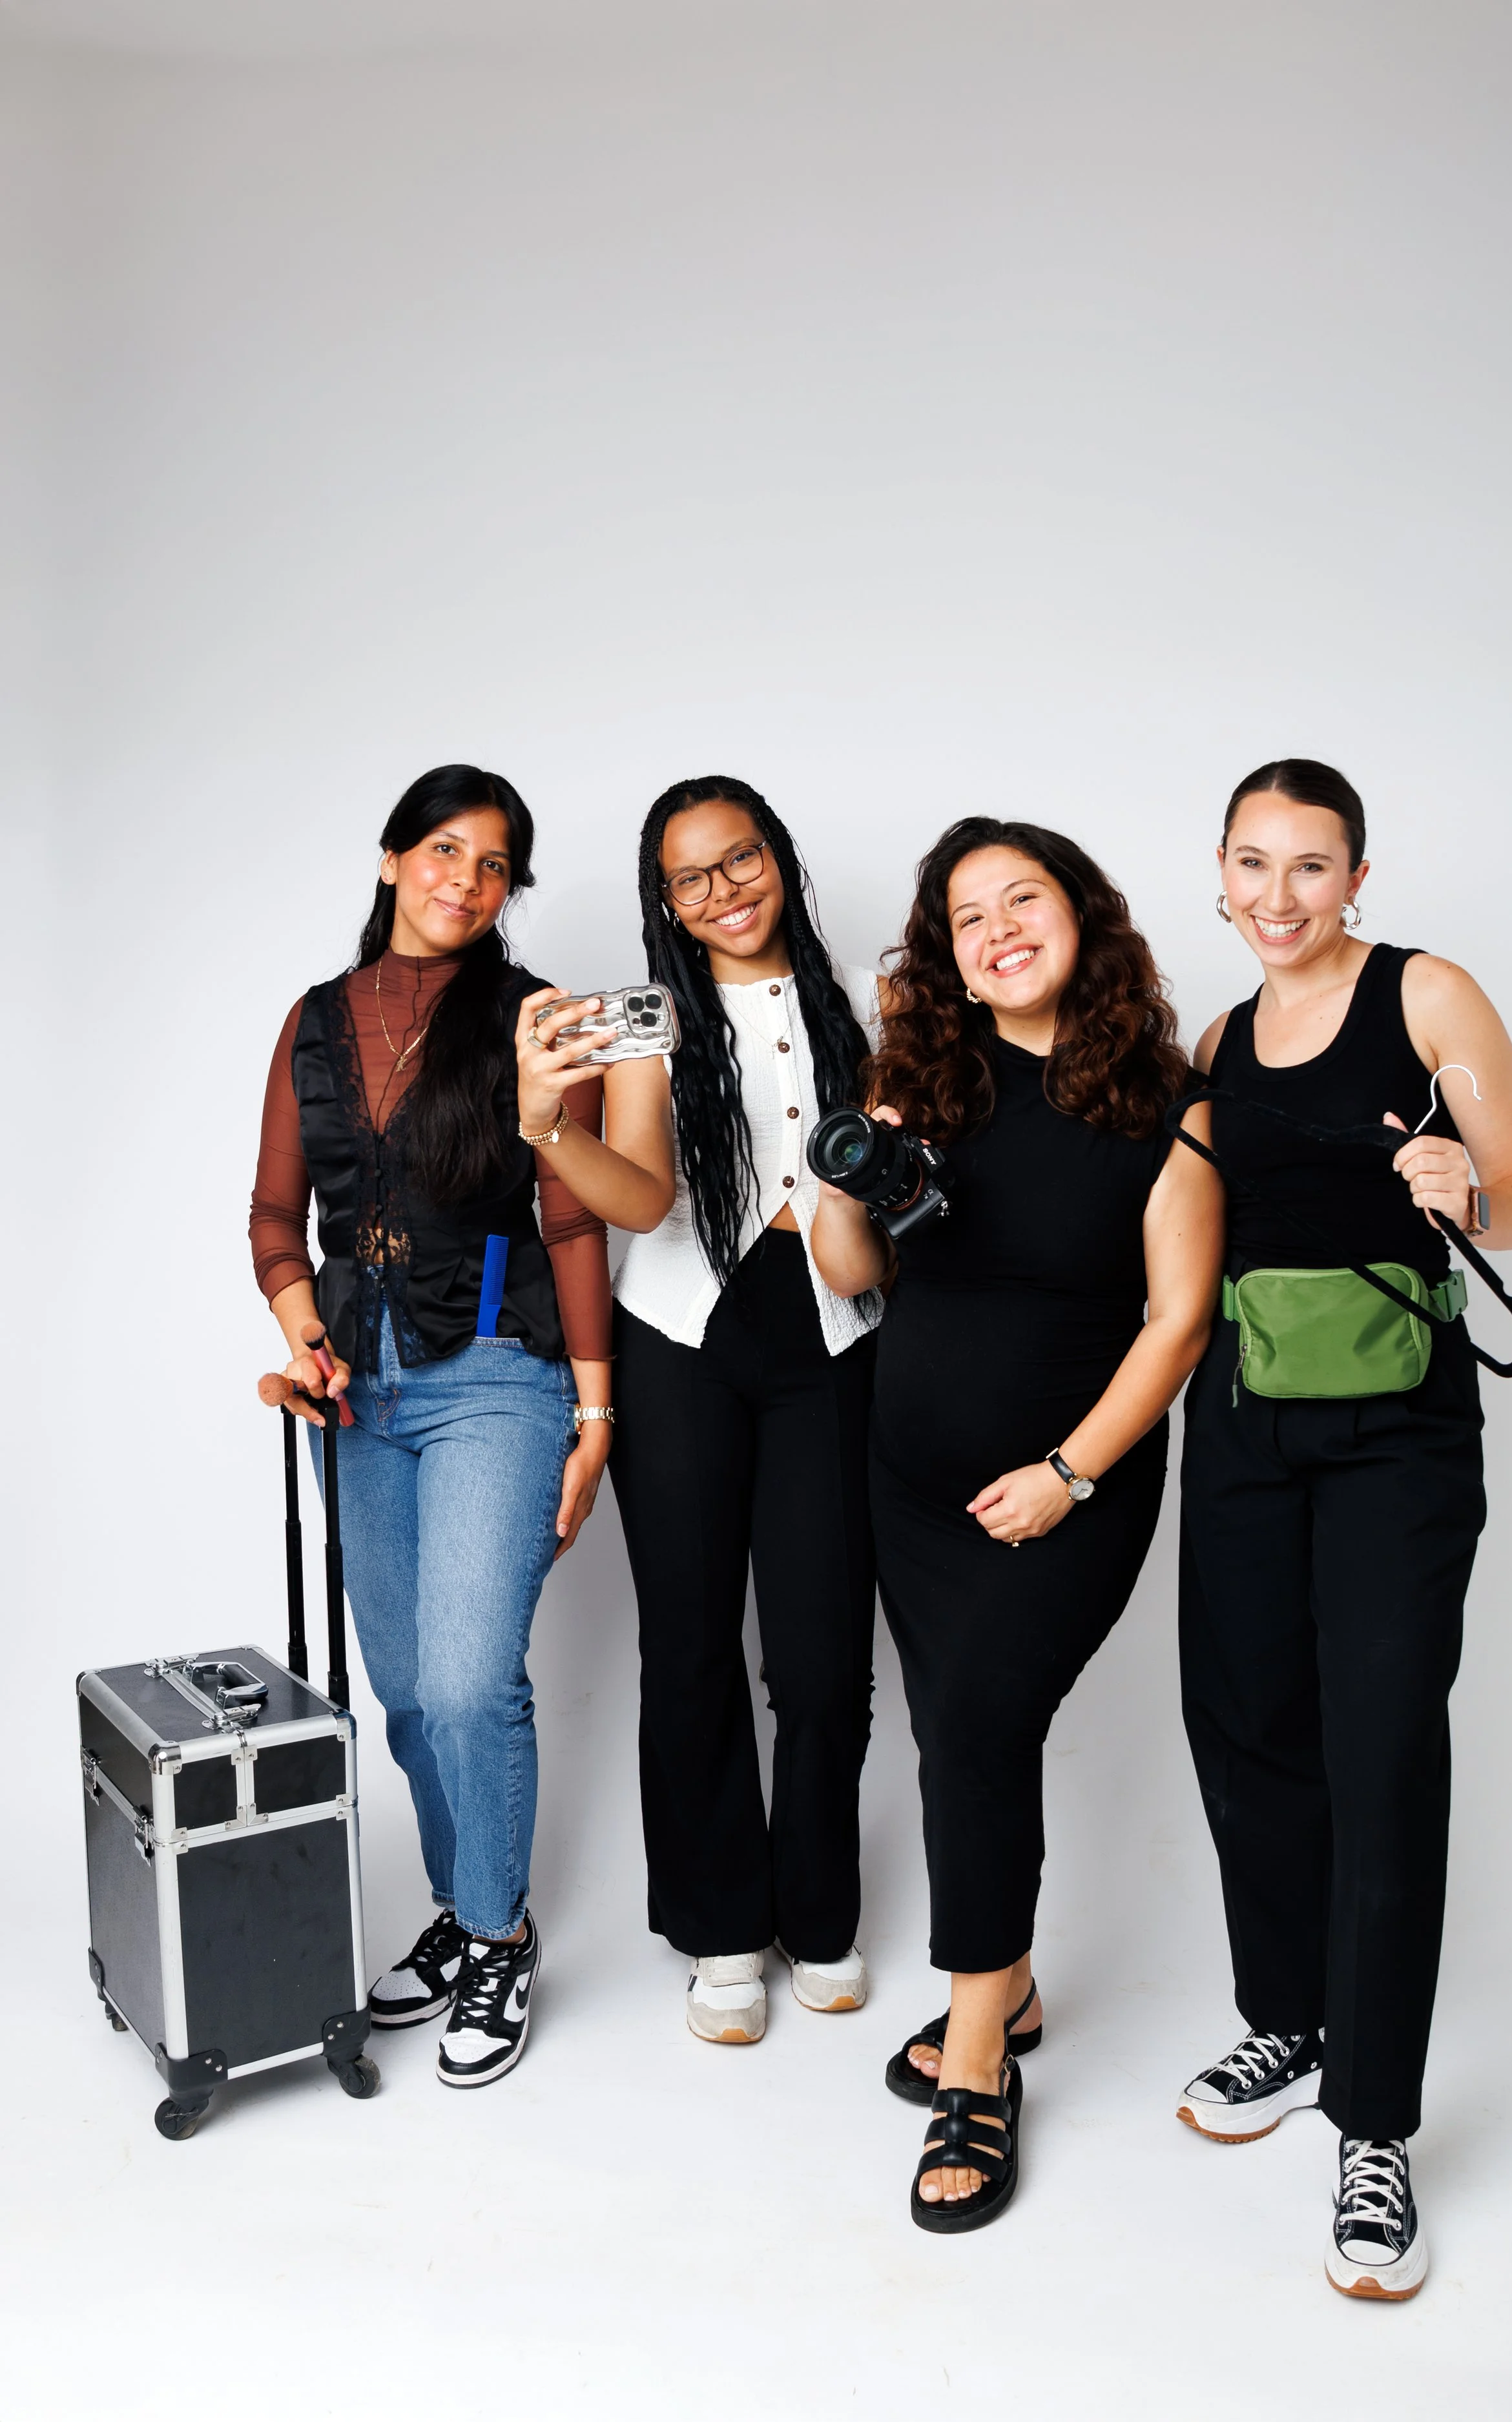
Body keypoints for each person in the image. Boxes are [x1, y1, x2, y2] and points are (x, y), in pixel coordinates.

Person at [1174, 759, 1512, 2299]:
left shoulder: (1428, 994)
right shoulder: (1213, 1041)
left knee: (1381, 1743)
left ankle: (1373, 2126)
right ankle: (1290, 2013)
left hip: (1399, 1427)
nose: (1277, 898)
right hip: (1245, 1418)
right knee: (1243, 1720)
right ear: (1218, 875)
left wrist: (1466, 1185)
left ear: (1355, 879)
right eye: (1251, 866)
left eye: (1308, 867)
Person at [812, 817, 1223, 2231]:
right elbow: (855, 1270)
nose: (996, 929)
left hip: (1070, 1486)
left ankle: (975, 2061)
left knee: (980, 1726)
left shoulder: (1163, 1099)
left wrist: (1068, 1472)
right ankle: (1015, 1983)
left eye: (1021, 899)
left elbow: (1175, 1324)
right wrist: (852, 1170)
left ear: (1079, 916)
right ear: (946, 954)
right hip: (911, 1481)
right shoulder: (918, 1080)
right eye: (965, 915)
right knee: (956, 1738)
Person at [250, 763, 674, 2089]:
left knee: (468, 1679)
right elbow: (275, 1220)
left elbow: (575, 1218)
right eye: (442, 850)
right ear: (392, 860)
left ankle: (498, 1936)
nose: (464, 880)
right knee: (402, 1695)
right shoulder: (317, 1021)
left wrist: (595, 1412)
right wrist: (301, 1333)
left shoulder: (538, 1019)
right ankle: (462, 1898)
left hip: (499, 1372)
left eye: (492, 865)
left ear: (507, 892)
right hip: (358, 1392)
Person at [608, 776, 883, 2045]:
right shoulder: (646, 1020)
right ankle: (722, 1927)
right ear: (663, 899)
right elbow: (633, 1191)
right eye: (690, 878)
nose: (721, 894)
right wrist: (545, 1124)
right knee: (690, 1642)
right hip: (678, 1342)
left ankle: (819, 1909)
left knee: (824, 1654)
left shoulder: (859, 1011)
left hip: (828, 1338)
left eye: (740, 862)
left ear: (779, 860)